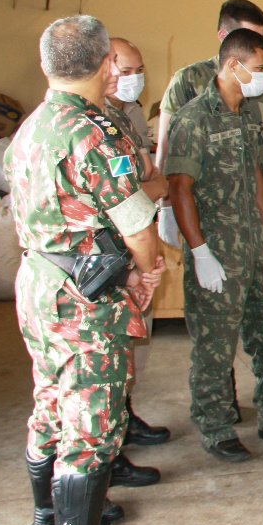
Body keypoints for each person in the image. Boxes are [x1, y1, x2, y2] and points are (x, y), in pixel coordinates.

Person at [7, 14, 166, 525]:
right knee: (93, 423)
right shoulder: (93, 133)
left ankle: (50, 521)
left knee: (50, 402)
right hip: (86, 296)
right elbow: (138, 227)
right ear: (104, 66)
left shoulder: (31, 128)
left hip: (40, 285)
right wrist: (149, 270)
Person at [155, 0, 263, 419]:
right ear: (231, 60)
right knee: (215, 341)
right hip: (215, 231)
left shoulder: (250, 106)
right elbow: (177, 176)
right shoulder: (192, 104)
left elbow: (257, 166)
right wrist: (191, 239)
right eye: (259, 66)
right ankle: (217, 422)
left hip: (254, 231)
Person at [103, 37, 171, 450]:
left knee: (132, 350)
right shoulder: (90, 124)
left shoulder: (128, 115)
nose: (134, 79)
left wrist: (146, 186)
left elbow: (154, 179)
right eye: (124, 71)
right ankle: (109, 441)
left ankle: (124, 419)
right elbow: (131, 195)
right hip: (106, 258)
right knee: (104, 361)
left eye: (138, 70)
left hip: (128, 249)